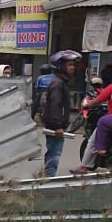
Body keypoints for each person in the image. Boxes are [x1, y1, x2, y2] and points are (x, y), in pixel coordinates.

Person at [36, 50, 78, 178]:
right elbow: (54, 105)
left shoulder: (61, 82)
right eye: (69, 65)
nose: (73, 67)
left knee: (53, 153)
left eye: (73, 65)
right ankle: (49, 180)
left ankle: (47, 178)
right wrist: (57, 126)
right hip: (55, 126)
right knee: (54, 154)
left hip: (56, 125)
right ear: (61, 66)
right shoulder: (58, 84)